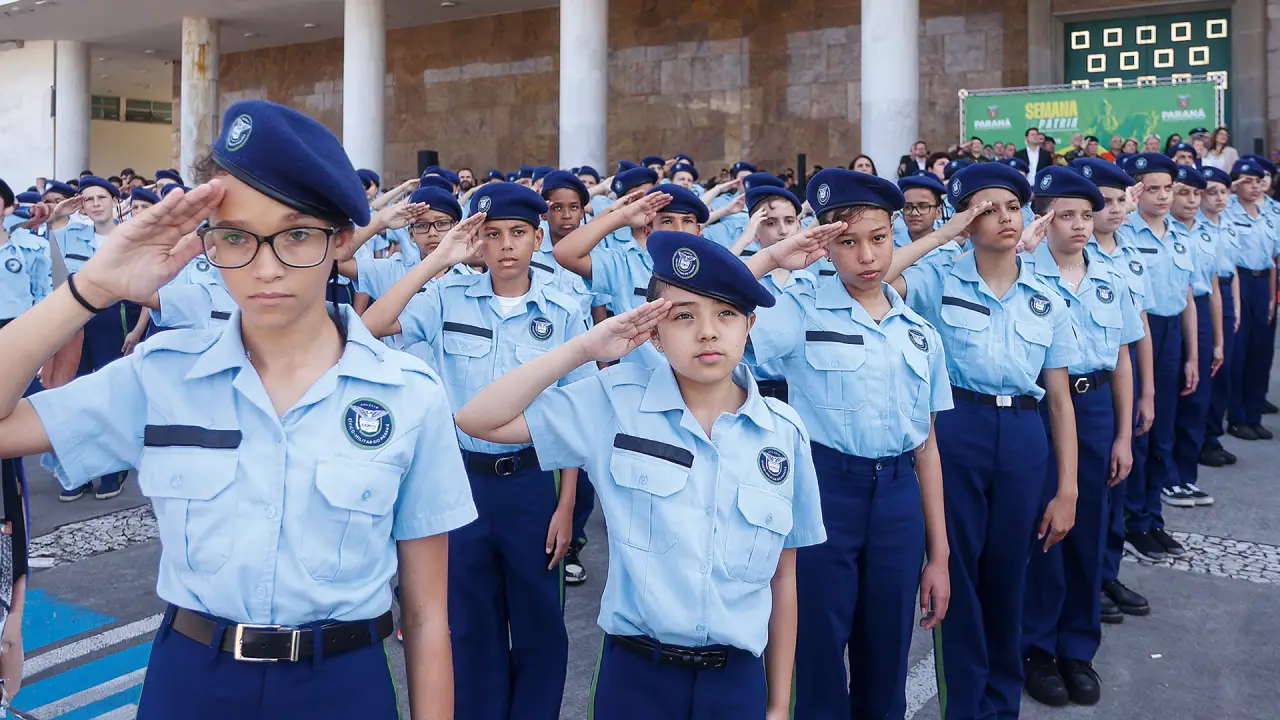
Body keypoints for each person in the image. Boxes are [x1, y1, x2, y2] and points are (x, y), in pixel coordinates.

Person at [0, 99, 472, 719]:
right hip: (193, 679)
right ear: (208, 241)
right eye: (236, 237)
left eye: (297, 234)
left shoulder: (408, 393)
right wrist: (94, 287)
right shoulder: (162, 374)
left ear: (340, 240)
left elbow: (427, 614)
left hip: (342, 686)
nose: (266, 268)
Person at [455, 230, 826, 720]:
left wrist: (777, 704)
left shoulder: (783, 432)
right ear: (653, 333)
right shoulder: (615, 402)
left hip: (735, 682)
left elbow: (784, 575)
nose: (708, 332)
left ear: (749, 325)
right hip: (636, 678)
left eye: (726, 314)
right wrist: (582, 349)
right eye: (684, 316)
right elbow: (477, 419)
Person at [360, 182, 590, 720]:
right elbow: (370, 329)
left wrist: (566, 507)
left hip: (533, 483)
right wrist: (437, 261)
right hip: (461, 482)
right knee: (468, 623)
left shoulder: (564, 310)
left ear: (538, 238)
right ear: (476, 241)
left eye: (518, 233)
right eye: (492, 234)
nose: (505, 245)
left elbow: (575, 416)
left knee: (539, 622)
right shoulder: (447, 297)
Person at [742, 169, 953, 719]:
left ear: (894, 235)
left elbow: (927, 448)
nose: (866, 256)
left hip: (898, 499)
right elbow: (722, 312)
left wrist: (939, 554)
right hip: (823, 492)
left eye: (878, 238)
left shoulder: (919, 333)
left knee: (886, 651)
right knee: (814, 647)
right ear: (824, 245)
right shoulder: (800, 308)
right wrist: (774, 257)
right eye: (848, 242)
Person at [881, 162, 1079, 720]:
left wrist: (1067, 488)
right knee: (959, 578)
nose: (1005, 218)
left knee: (1010, 576)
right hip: (956, 429)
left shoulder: (1044, 295)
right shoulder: (938, 279)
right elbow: (874, 276)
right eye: (988, 209)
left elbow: (1059, 400)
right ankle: (966, 708)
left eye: (1013, 207)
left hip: (1023, 435)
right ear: (966, 218)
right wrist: (942, 236)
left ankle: (1001, 705)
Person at [1019, 166, 1140, 709]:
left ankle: (1077, 648)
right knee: (1043, 530)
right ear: (1042, 219)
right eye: (1065, 215)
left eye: (1086, 215)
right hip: (1039, 409)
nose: (1079, 225)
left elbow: (1122, 357)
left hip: (1092, 409)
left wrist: (1123, 436)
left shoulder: (1110, 276)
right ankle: (1037, 648)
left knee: (1087, 530)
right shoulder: (1022, 270)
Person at [1072, 157, 1156, 623]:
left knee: (1114, 484)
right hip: (1070, 388)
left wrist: (1147, 393)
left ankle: (1107, 572)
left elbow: (1136, 330)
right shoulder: (1070, 252)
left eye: (1122, 200)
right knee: (1078, 493)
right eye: (1104, 202)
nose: (1116, 209)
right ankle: (1083, 581)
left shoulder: (1129, 254)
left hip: (1115, 380)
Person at [1115, 153, 1196, 563]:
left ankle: (1152, 517)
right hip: (1137, 336)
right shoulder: (1123, 231)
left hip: (1170, 335)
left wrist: (1193, 354)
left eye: (1169, 188)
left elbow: (1187, 297)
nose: (1163, 196)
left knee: (1162, 431)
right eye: (1153, 188)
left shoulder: (1180, 234)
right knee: (1138, 430)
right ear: (1135, 191)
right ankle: (1133, 521)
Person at [43, 175, 143, 500]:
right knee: (76, 395)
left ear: (115, 201)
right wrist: (61, 210)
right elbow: (54, 228)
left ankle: (114, 468)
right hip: (77, 322)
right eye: (89, 199)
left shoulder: (130, 236)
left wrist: (136, 330)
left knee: (113, 394)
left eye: (102, 197)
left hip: (115, 320)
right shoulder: (74, 235)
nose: (96, 204)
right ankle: (80, 470)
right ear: (81, 206)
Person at [554, 184, 709, 369]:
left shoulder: (714, 268)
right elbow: (565, 253)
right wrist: (622, 217)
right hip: (642, 381)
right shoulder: (626, 263)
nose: (679, 229)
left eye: (687, 221)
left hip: (698, 377)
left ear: (699, 231)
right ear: (648, 232)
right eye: (667, 221)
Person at [1164, 165, 1221, 508]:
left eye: (1196, 194)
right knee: (1169, 400)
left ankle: (1186, 475)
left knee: (1196, 399)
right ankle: (1167, 478)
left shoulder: (1206, 231)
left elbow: (1213, 287)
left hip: (1199, 312)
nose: (1190, 200)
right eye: (1182, 193)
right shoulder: (1162, 230)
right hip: (1171, 311)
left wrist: (1218, 340)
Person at [1225, 157, 1278, 441]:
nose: (1255, 187)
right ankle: (1237, 417)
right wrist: (1231, 187)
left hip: (1263, 282)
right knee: (1239, 351)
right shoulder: (1228, 210)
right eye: (1248, 182)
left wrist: (1271, 299)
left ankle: (1254, 415)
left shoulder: (1269, 214)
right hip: (1239, 281)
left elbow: (1273, 259)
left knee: (1261, 351)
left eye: (1259, 182)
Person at [1196, 166, 1242, 468]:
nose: (1219, 198)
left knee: (1224, 369)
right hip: (1206, 295)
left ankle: (1213, 435)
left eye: (1224, 192)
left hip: (1225, 293)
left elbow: (1232, 269)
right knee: (1207, 371)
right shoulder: (1194, 227)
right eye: (1211, 192)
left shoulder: (1229, 224)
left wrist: (1236, 307)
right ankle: (1202, 440)